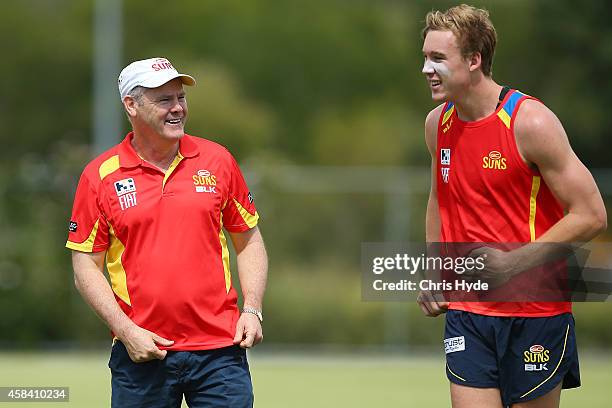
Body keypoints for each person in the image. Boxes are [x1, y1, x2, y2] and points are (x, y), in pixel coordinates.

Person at [417, 5, 607, 408]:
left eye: (438, 59)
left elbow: (591, 214)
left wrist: (511, 265)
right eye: (425, 57)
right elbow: (439, 199)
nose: (426, 69)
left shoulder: (530, 123)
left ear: (473, 60)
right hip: (467, 313)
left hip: (536, 312)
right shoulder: (437, 124)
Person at [66, 57, 268, 407]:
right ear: (131, 104)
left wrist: (252, 309)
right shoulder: (100, 176)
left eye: (181, 98)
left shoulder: (217, 160)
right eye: (164, 100)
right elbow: (85, 267)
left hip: (220, 350)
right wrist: (127, 332)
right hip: (142, 352)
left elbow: (248, 240)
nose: (177, 109)